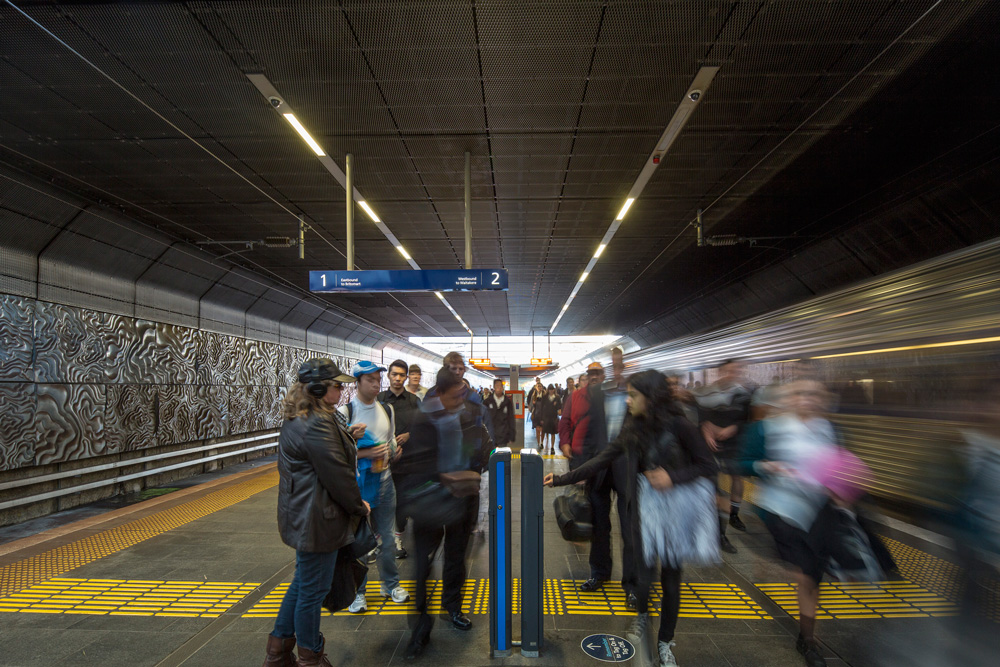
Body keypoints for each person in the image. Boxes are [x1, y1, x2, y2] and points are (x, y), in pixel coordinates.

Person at [546, 370, 715, 667]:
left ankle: (665, 642)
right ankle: (642, 619)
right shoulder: (634, 427)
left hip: (678, 509)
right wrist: (562, 479)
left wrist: (672, 476)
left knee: (671, 579)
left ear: (651, 398)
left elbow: (707, 465)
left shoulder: (681, 426)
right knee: (644, 574)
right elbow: (603, 458)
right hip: (646, 507)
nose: (627, 399)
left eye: (633, 395)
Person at [263, 358, 370, 667]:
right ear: (320, 388)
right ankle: (311, 656)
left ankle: (278, 652)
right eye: (338, 385)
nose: (343, 390)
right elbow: (337, 474)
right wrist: (358, 506)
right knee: (313, 590)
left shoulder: (313, 417)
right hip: (318, 520)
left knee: (303, 583)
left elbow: (324, 457)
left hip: (307, 516)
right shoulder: (317, 423)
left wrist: (349, 435)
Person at [738, 378, 841, 667]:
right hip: (781, 511)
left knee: (812, 579)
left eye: (814, 393)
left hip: (819, 512)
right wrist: (765, 466)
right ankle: (809, 642)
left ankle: (806, 637)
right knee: (805, 575)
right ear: (788, 398)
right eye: (800, 393)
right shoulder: (766, 428)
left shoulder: (829, 429)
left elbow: (840, 465)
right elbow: (742, 462)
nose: (807, 398)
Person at [397, 369, 491, 659]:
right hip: (429, 504)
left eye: (463, 394)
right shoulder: (423, 419)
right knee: (422, 568)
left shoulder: (468, 414)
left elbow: (484, 446)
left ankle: (453, 608)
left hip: (461, 502)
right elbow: (413, 464)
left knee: (455, 558)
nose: (461, 401)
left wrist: (474, 469)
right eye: (455, 396)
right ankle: (420, 630)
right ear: (440, 393)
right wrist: (445, 477)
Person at [558, 362, 634, 604]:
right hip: (599, 469)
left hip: (626, 471)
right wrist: (582, 468)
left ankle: (632, 585)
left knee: (630, 529)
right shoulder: (596, 398)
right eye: (591, 374)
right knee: (599, 525)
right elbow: (586, 433)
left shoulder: (634, 398)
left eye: (599, 373)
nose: (595, 378)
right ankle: (599, 573)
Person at [339, 360, 409, 613]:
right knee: (359, 542)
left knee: (388, 538)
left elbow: (389, 442)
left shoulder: (386, 410)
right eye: (370, 379)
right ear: (357, 383)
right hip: (357, 487)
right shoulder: (345, 413)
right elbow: (338, 454)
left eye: (378, 379)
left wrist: (393, 453)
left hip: (385, 481)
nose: (376, 383)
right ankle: (358, 593)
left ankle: (390, 585)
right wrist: (366, 453)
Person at [694, 359, 754, 553]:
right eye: (730, 371)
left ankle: (733, 515)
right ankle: (719, 534)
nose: (734, 374)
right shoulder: (707, 392)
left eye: (737, 370)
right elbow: (700, 418)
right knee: (715, 491)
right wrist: (706, 430)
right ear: (720, 372)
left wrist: (733, 428)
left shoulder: (743, 394)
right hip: (710, 447)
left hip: (733, 445)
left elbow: (746, 420)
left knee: (736, 480)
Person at [378, 359, 422, 560]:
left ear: (406, 377)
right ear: (388, 376)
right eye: (394, 374)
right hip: (381, 462)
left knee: (402, 502)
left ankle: (397, 539)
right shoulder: (378, 400)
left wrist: (410, 435)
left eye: (401, 375)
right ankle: (379, 539)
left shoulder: (413, 401)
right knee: (380, 502)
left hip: (407, 462)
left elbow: (424, 427)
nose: (397, 378)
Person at [484, 378, 515, 447]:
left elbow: (511, 419)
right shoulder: (487, 402)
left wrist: (511, 435)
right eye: (497, 386)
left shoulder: (507, 402)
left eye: (501, 386)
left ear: (503, 388)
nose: (499, 388)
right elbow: (483, 418)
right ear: (494, 387)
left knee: (501, 455)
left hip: (503, 435)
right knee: (491, 455)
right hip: (490, 435)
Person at [537, 384, 562, 454]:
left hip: (553, 417)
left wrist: (558, 408)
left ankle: (552, 447)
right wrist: (541, 418)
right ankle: (541, 443)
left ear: (554, 390)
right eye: (550, 390)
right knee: (544, 431)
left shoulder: (557, 398)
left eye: (552, 389)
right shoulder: (545, 397)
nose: (551, 391)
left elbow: (559, 406)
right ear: (548, 390)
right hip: (546, 417)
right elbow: (541, 408)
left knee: (553, 433)